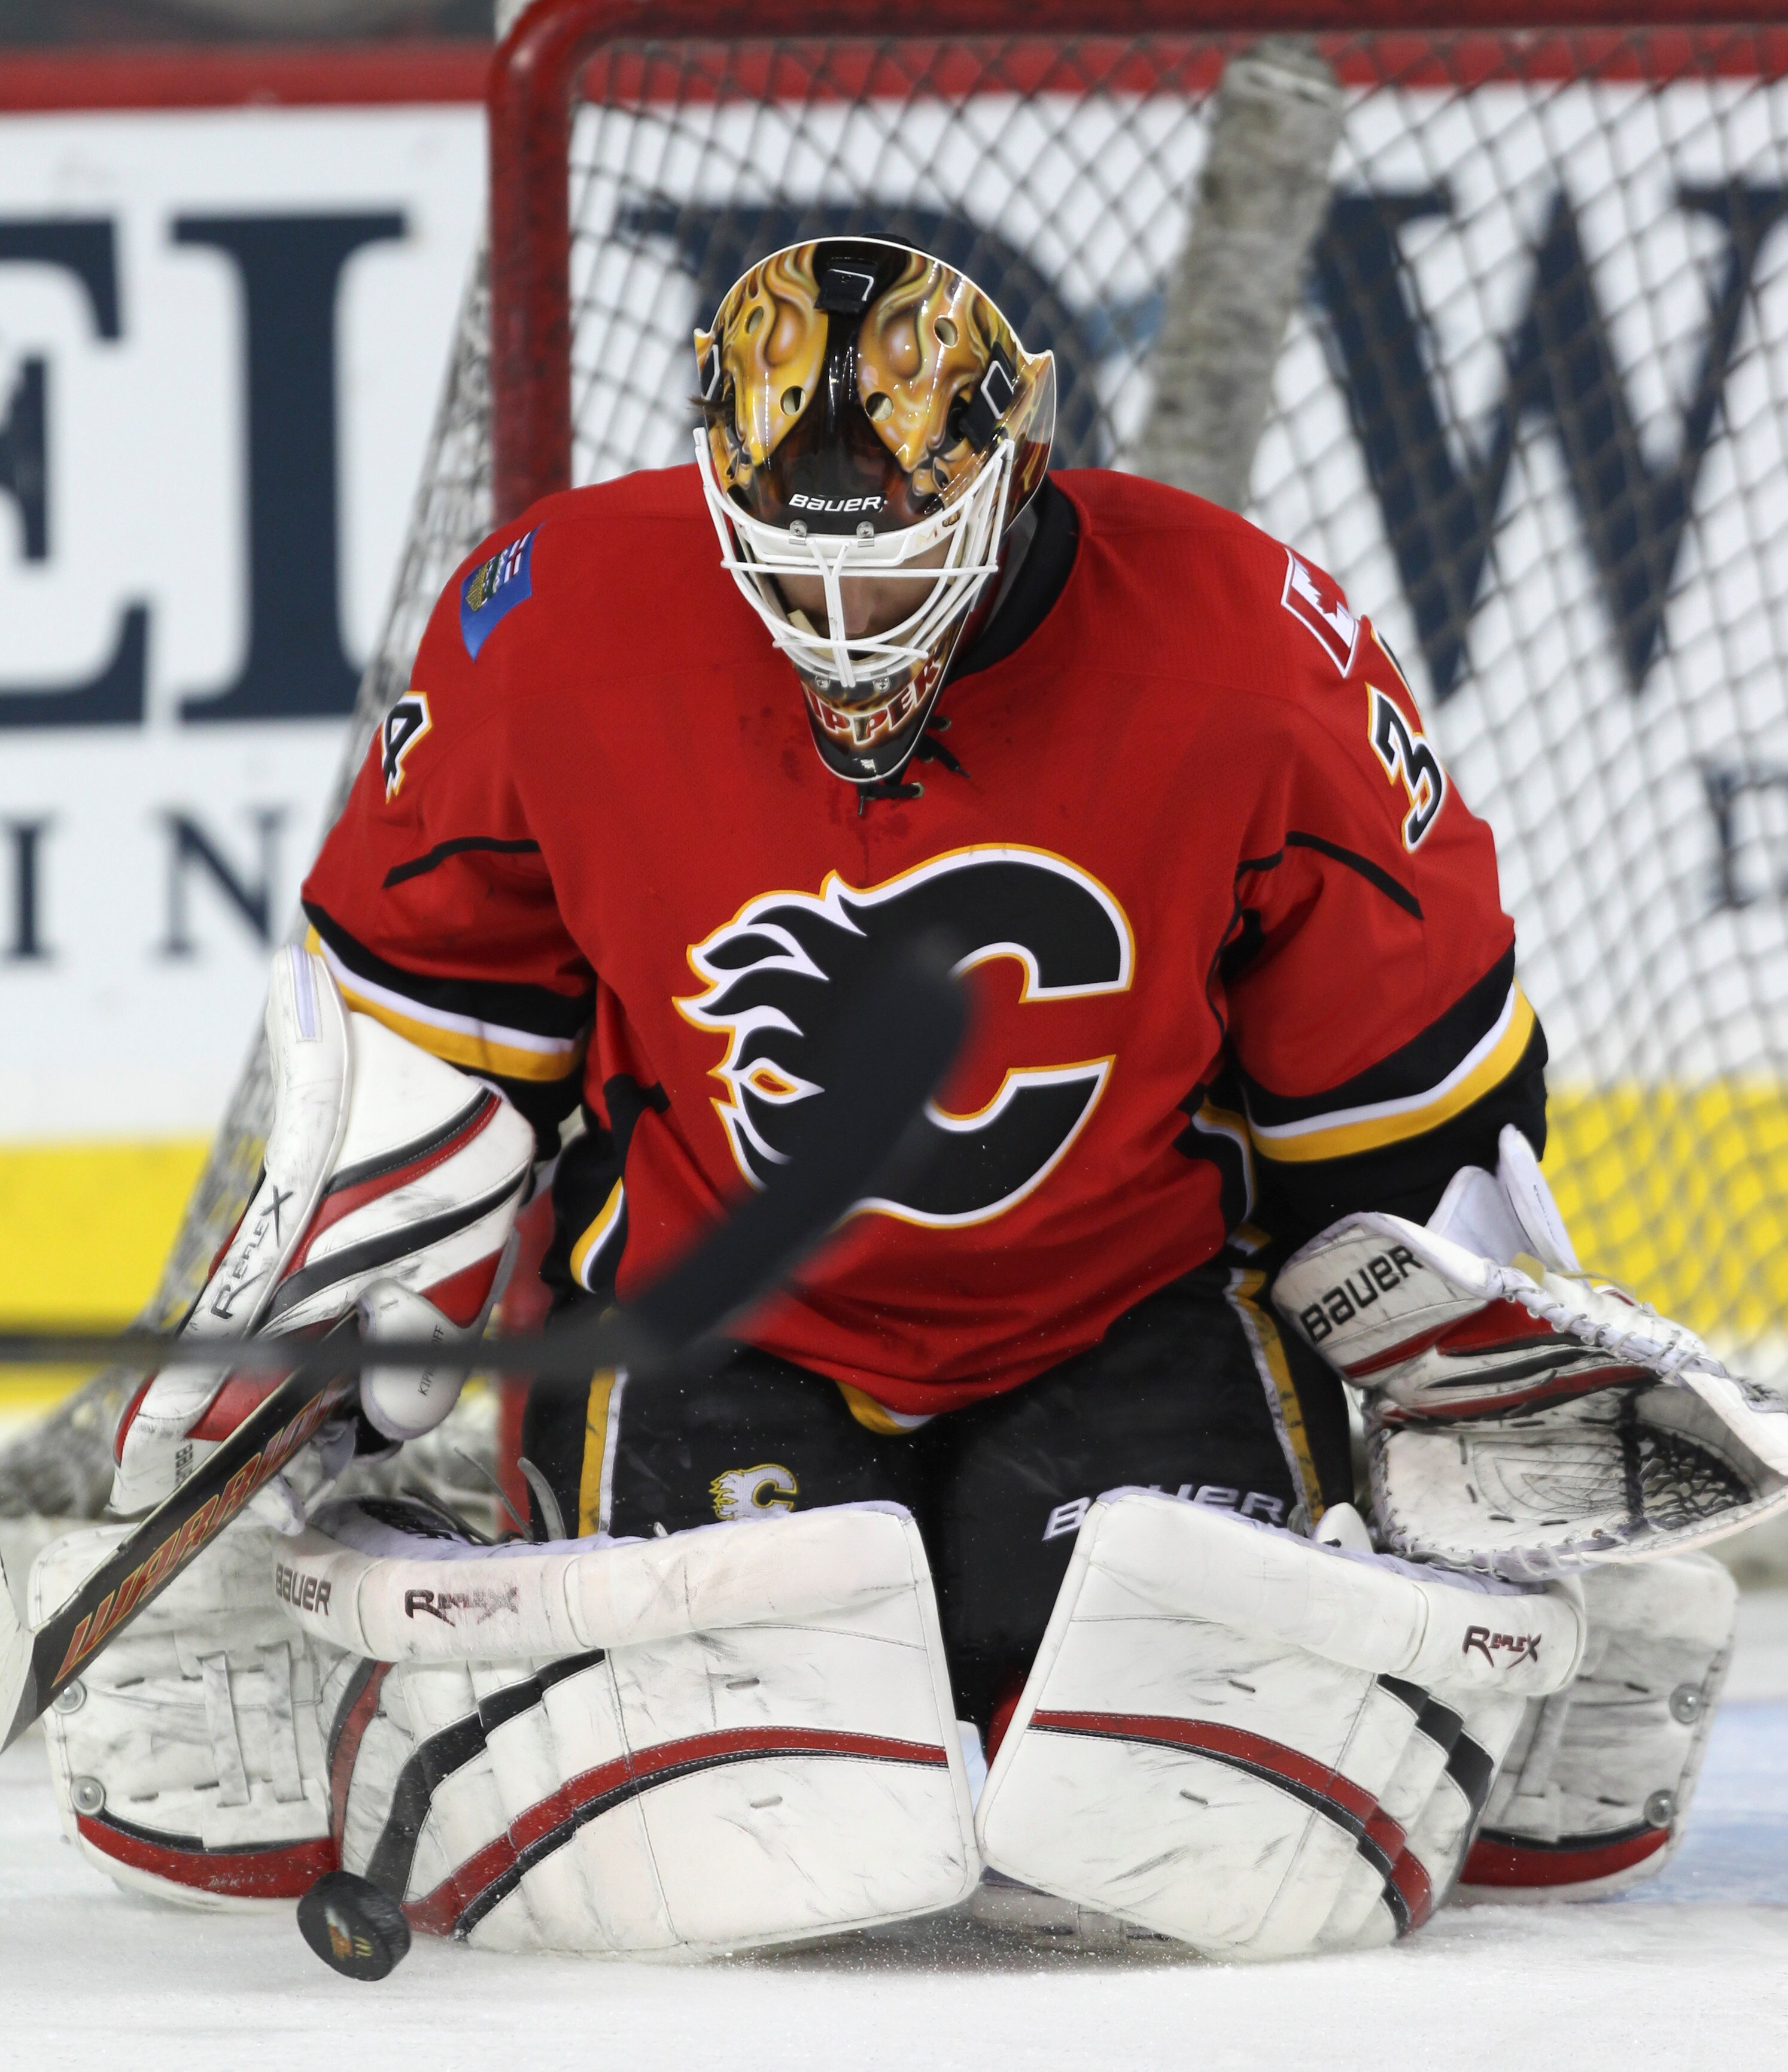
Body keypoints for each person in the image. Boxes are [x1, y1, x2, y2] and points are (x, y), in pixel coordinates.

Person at [69, 239, 1753, 1959]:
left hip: (1123, 1316)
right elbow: (433, 1035)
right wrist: (333, 1323)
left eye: (902, 569)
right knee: (721, 1818)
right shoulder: (550, 620)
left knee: (1212, 1827)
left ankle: (1519, 1651)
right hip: (704, 1325)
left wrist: (1454, 1421)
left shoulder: (1252, 653)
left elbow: (1401, 1116)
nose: (846, 627)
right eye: (794, 571)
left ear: (1018, 471)